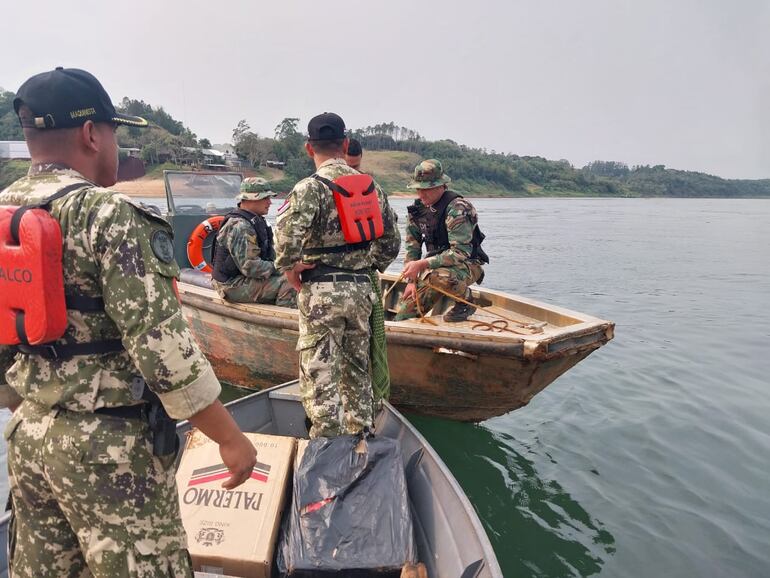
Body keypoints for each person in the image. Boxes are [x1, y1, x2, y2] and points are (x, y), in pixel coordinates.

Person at [0, 67, 257, 577]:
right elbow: (161, 348)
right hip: (109, 451)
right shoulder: (108, 215)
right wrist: (229, 437)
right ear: (92, 133)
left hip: (28, 437)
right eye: (115, 131)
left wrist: (23, 401)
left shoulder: (5, 208)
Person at [274, 112, 400, 438]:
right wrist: (367, 266)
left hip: (321, 292)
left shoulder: (309, 189)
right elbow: (391, 242)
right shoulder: (372, 188)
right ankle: (361, 444)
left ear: (308, 148)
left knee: (321, 376)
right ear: (345, 145)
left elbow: (286, 238)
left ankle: (328, 458)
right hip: (361, 293)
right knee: (358, 372)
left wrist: (291, 270)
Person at [395, 159, 489, 323]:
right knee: (404, 314)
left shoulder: (458, 209)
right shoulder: (417, 211)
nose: (421, 194)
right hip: (436, 267)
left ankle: (466, 302)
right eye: (418, 189)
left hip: (467, 264)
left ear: (441, 186)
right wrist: (411, 280)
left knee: (440, 276)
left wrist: (422, 265)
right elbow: (412, 249)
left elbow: (460, 253)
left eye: (427, 189)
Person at [211, 177, 296, 307]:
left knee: (294, 276)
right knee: (289, 283)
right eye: (265, 198)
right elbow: (250, 267)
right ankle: (280, 322)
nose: (270, 202)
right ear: (250, 199)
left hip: (244, 278)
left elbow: (271, 255)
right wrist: (286, 268)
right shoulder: (239, 226)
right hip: (231, 284)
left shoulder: (256, 221)